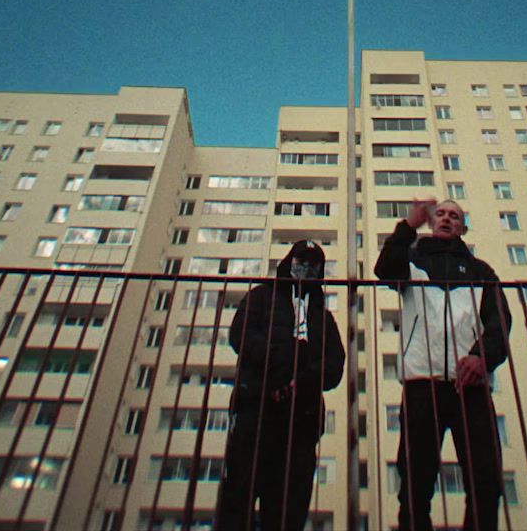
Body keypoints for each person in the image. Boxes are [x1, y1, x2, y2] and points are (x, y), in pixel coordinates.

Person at [374, 198, 511, 531]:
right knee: (415, 483)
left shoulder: (482, 271)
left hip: (472, 387)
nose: (447, 219)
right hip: (423, 385)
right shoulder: (411, 260)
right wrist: (408, 226)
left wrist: (482, 356)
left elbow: (500, 321)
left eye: (455, 216)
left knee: (486, 479)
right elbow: (384, 269)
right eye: (442, 215)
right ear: (432, 223)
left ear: (462, 227)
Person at [216, 240, 346, 531]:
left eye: (314, 265)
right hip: (257, 410)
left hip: (302, 419)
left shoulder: (322, 316)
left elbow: (334, 364)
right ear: (289, 262)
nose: (306, 268)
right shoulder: (262, 298)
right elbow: (241, 336)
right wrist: (277, 373)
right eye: (301, 260)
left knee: (289, 505)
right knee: (239, 493)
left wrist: (302, 382)